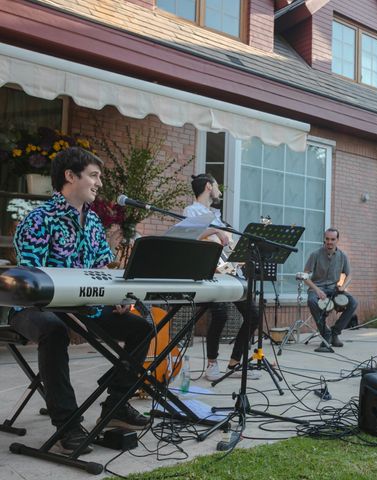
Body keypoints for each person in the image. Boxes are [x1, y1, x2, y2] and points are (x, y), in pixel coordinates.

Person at [9, 147, 152, 455]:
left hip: (85, 306)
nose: (99, 183)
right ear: (70, 176)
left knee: (141, 327)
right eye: (94, 175)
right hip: (35, 309)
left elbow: (102, 269)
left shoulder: (93, 223)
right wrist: (71, 307)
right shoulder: (38, 219)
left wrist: (117, 298)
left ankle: (116, 405)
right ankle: (67, 425)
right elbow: (32, 282)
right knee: (54, 329)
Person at [183, 174, 261, 381]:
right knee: (220, 315)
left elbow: (227, 243)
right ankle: (211, 364)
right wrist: (216, 229)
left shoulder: (216, 214)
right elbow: (191, 237)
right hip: (209, 271)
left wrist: (239, 255)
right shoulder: (191, 211)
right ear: (209, 186)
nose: (219, 191)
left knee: (253, 315)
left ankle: (235, 362)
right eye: (217, 186)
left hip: (228, 270)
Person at [304, 228, 358, 353]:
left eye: (333, 239)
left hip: (334, 289)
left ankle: (335, 333)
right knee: (312, 301)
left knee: (353, 303)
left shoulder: (343, 256)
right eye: (327, 239)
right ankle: (326, 334)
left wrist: (343, 287)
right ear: (324, 239)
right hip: (317, 288)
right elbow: (305, 276)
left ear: (337, 240)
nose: (329, 242)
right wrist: (317, 290)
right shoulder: (315, 254)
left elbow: (349, 275)